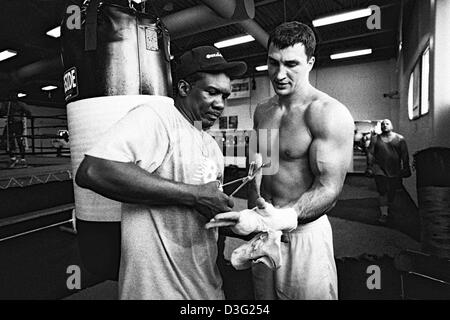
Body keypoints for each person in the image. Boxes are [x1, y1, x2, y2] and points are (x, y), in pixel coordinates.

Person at [75, 45, 247, 299]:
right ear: (184, 88)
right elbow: (93, 170)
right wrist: (194, 195)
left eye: (225, 96)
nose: (220, 104)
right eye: (212, 93)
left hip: (206, 287)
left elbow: (206, 212)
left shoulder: (210, 146)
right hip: (158, 291)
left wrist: (253, 225)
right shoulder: (157, 117)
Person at [206, 21, 354, 300]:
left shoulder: (327, 113)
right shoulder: (265, 111)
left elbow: (329, 189)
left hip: (303, 233)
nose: (279, 74)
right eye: (273, 63)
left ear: (310, 62)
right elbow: (263, 168)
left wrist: (285, 217)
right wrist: (253, 217)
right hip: (264, 233)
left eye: (291, 64)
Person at [365, 119, 411, 224]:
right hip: (379, 169)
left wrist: (406, 167)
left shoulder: (400, 139)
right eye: (383, 124)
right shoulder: (375, 139)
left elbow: (404, 155)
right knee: (382, 191)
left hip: (395, 169)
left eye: (387, 124)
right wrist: (369, 166)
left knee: (392, 192)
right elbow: (371, 153)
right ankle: (384, 214)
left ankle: (388, 205)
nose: (385, 125)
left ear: (392, 125)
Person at [0, 94, 32, 168]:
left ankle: (22, 159)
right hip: (10, 124)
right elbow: (2, 112)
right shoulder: (8, 104)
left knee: (19, 141)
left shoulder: (20, 104)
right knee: (6, 140)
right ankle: (13, 158)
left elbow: (27, 111)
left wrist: (29, 115)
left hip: (17, 124)